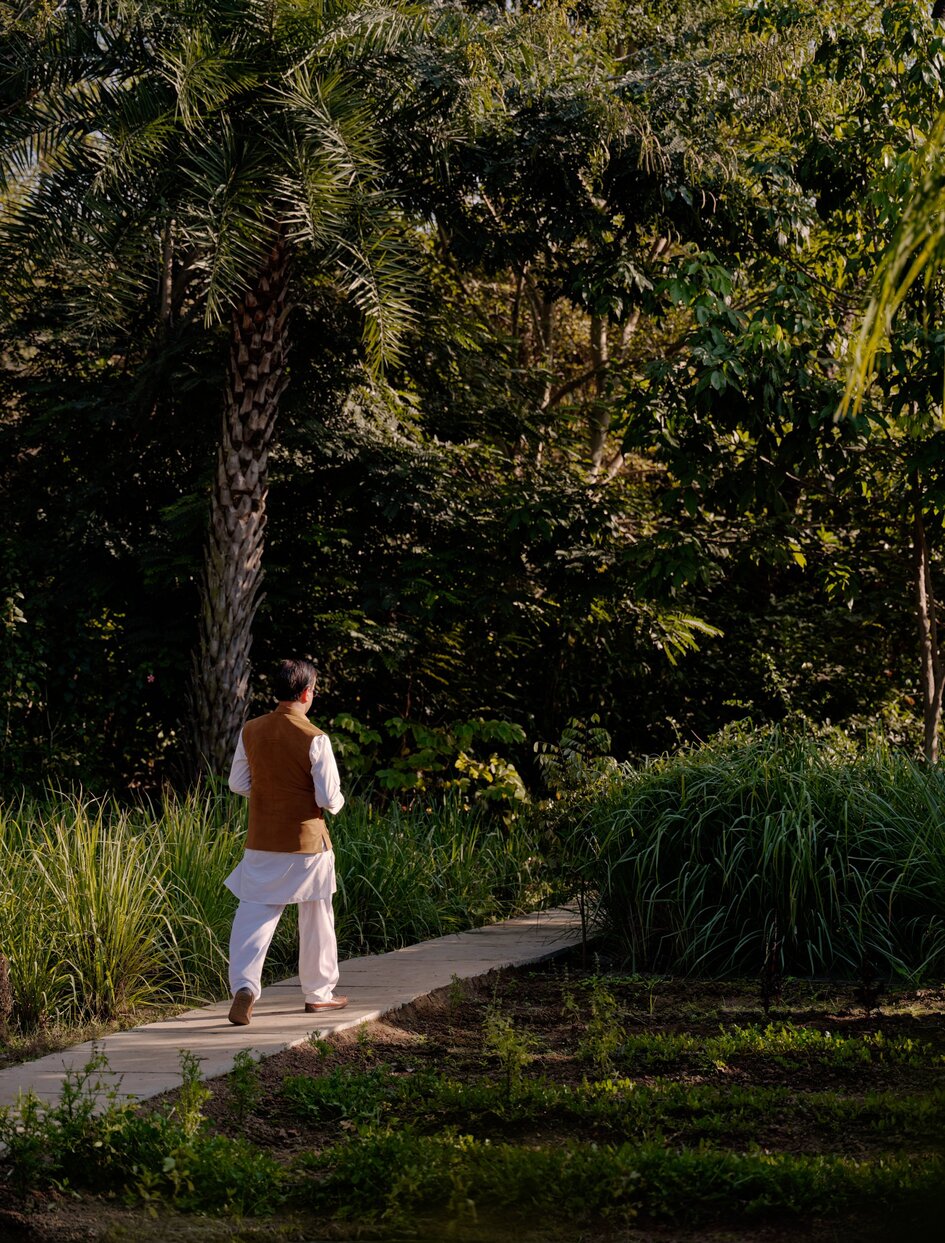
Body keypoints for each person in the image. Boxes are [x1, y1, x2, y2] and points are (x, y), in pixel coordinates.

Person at [224, 657, 348, 1025]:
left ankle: (245, 988)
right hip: (308, 844)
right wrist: (337, 802)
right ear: (307, 692)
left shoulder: (252, 730)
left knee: (254, 915)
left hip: (261, 840)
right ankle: (319, 994)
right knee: (316, 916)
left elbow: (237, 784)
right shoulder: (315, 738)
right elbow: (329, 797)